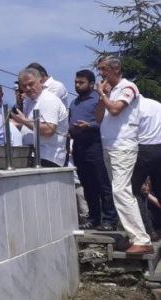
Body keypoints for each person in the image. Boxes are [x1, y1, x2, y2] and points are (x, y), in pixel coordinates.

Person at [96, 55, 152, 254]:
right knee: (118, 191)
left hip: (123, 146)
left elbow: (116, 110)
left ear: (116, 69)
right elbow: (99, 115)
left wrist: (103, 95)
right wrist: (103, 96)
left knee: (121, 191)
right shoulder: (110, 91)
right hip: (109, 146)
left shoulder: (129, 87)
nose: (101, 74)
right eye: (100, 69)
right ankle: (132, 235)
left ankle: (141, 239)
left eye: (104, 69)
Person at [68, 69, 117, 230]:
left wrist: (90, 125)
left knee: (102, 183)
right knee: (87, 184)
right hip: (78, 146)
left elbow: (107, 121)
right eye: (76, 82)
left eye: (81, 82)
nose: (77, 85)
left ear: (90, 83)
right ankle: (94, 217)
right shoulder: (74, 103)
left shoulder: (98, 99)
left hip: (95, 145)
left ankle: (109, 219)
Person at [11, 68, 69, 167]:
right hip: (33, 155)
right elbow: (31, 125)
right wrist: (17, 124)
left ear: (40, 81)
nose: (28, 88)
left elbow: (48, 130)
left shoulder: (48, 99)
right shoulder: (29, 101)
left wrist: (24, 122)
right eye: (24, 86)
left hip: (48, 157)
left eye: (31, 84)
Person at [133, 95, 161, 240]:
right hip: (159, 147)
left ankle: (149, 231)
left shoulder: (135, 107)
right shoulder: (156, 104)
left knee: (133, 191)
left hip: (144, 149)